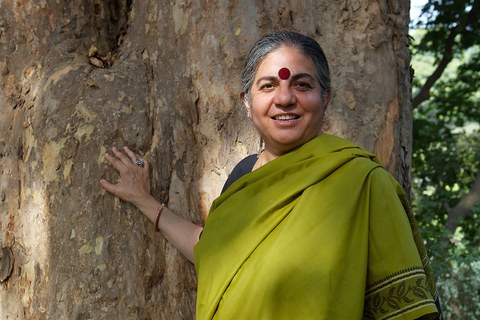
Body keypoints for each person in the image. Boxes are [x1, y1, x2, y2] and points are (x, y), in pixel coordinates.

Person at [100, 31, 441, 319]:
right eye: (267, 87)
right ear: (247, 102)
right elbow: (213, 250)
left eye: (302, 84)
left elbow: (405, 310)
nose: (284, 98)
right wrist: (145, 202)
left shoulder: (363, 183)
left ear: (326, 97)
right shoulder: (244, 175)